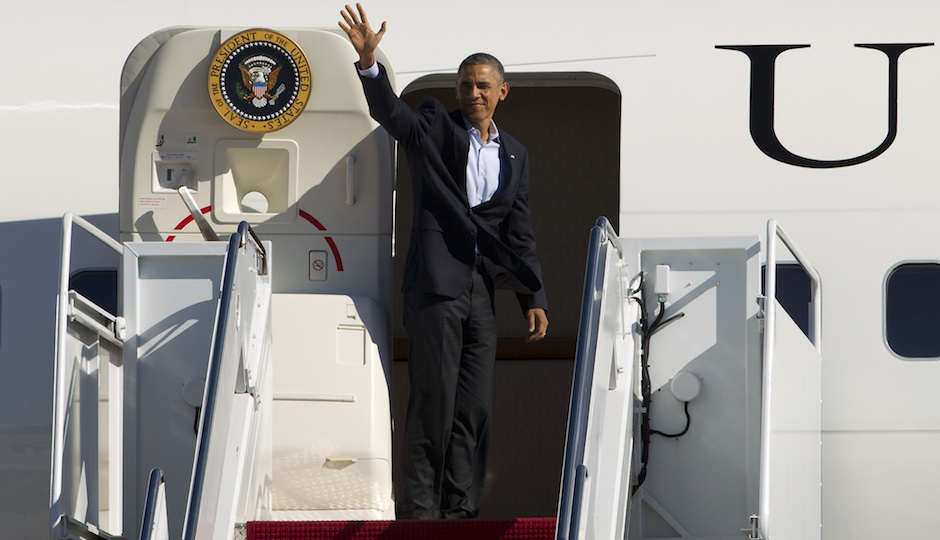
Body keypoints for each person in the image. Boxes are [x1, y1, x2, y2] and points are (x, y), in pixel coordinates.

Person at [340, 3, 549, 519]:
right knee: (433, 402)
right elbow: (393, 116)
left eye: (481, 85)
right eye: (463, 85)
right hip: (435, 286)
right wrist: (370, 66)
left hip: (482, 290)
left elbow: (519, 232)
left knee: (475, 408)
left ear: (502, 92)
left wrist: (533, 297)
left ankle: (460, 512)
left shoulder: (515, 154)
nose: (471, 93)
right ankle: (418, 513)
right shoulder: (434, 125)